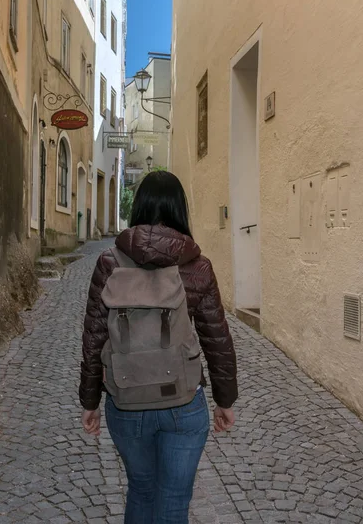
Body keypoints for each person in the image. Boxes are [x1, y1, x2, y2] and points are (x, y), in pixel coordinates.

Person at [79, 171, 238, 524]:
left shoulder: (110, 262)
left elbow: (93, 339)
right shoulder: (197, 266)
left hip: (126, 399)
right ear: (180, 210)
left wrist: (89, 401)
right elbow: (217, 340)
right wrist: (225, 401)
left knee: (141, 489)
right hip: (183, 402)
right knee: (174, 498)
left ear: (139, 208)